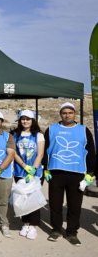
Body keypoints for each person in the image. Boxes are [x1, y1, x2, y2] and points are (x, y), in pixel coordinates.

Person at [43, 102, 96, 246]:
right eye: (64, 113)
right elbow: (45, 149)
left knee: (74, 205)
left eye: (70, 112)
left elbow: (91, 151)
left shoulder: (83, 130)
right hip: (56, 172)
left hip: (76, 173)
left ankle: (72, 232)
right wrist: (45, 168)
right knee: (55, 204)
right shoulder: (52, 129)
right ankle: (56, 230)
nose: (67, 115)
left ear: (75, 114)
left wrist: (91, 172)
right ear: (60, 114)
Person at [12, 109, 44, 239]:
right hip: (20, 171)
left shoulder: (38, 135)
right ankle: (25, 222)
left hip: (35, 172)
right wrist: (24, 166)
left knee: (33, 198)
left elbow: (40, 153)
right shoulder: (15, 134)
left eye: (28, 119)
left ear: (32, 121)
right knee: (22, 197)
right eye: (23, 119)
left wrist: (33, 169)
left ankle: (33, 225)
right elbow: (13, 153)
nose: (25, 121)